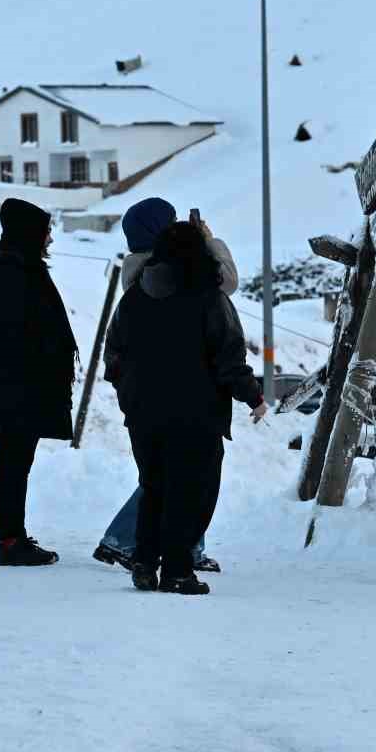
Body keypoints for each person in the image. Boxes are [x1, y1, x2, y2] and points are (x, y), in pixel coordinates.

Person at [104, 221, 266, 595]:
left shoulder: (134, 297)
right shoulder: (210, 298)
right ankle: (177, 571)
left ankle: (145, 564)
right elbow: (229, 357)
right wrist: (253, 396)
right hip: (197, 414)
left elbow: (113, 355)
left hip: (143, 413)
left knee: (154, 485)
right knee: (190, 491)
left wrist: (129, 394)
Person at [0, 197, 76, 566]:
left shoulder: (18, 270)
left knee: (14, 464)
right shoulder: (13, 274)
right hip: (17, 390)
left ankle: (13, 537)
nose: (50, 240)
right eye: (46, 231)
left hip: (18, 388)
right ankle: (11, 542)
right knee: (13, 465)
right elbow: (18, 337)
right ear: (31, 234)